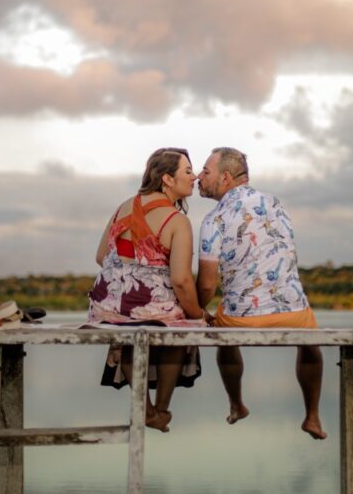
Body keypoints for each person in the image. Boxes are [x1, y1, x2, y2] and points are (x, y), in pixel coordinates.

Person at [196, 147, 327, 440]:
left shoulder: (213, 219)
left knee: (222, 332)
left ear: (225, 177)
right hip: (293, 315)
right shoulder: (276, 203)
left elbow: (206, 286)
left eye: (206, 172)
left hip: (241, 322)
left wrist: (196, 311)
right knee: (310, 343)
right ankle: (313, 417)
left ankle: (236, 404)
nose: (198, 178)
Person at [87, 147, 207, 432]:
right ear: (167, 179)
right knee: (183, 328)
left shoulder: (123, 207)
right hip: (148, 305)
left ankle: (147, 408)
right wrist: (198, 313)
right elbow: (180, 280)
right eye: (188, 171)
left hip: (107, 305)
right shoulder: (177, 221)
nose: (195, 177)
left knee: (129, 333)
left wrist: (130, 274)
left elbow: (101, 256)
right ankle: (159, 409)